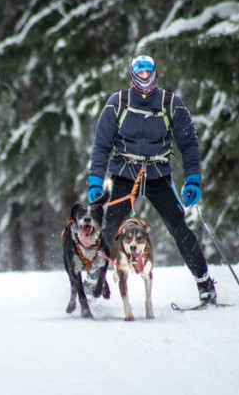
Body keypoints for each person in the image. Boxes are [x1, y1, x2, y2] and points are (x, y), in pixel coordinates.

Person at [86, 54, 217, 305]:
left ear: (155, 73)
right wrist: (95, 180)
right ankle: (94, 280)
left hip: (158, 176)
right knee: (110, 228)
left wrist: (192, 179)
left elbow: (188, 144)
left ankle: (205, 285)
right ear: (133, 75)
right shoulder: (117, 103)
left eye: (149, 73)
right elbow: (101, 144)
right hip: (125, 175)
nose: (145, 78)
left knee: (179, 228)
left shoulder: (171, 103)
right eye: (141, 74)